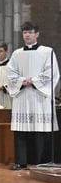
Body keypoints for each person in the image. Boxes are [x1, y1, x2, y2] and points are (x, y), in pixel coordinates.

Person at [6, 22, 59, 170]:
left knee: (40, 130)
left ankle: (41, 162)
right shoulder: (16, 54)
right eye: (24, 32)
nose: (27, 35)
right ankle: (21, 161)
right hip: (22, 96)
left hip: (39, 97)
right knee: (21, 131)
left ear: (37, 34)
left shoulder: (47, 51)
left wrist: (34, 81)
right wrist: (23, 81)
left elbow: (52, 72)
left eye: (30, 32)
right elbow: (10, 73)